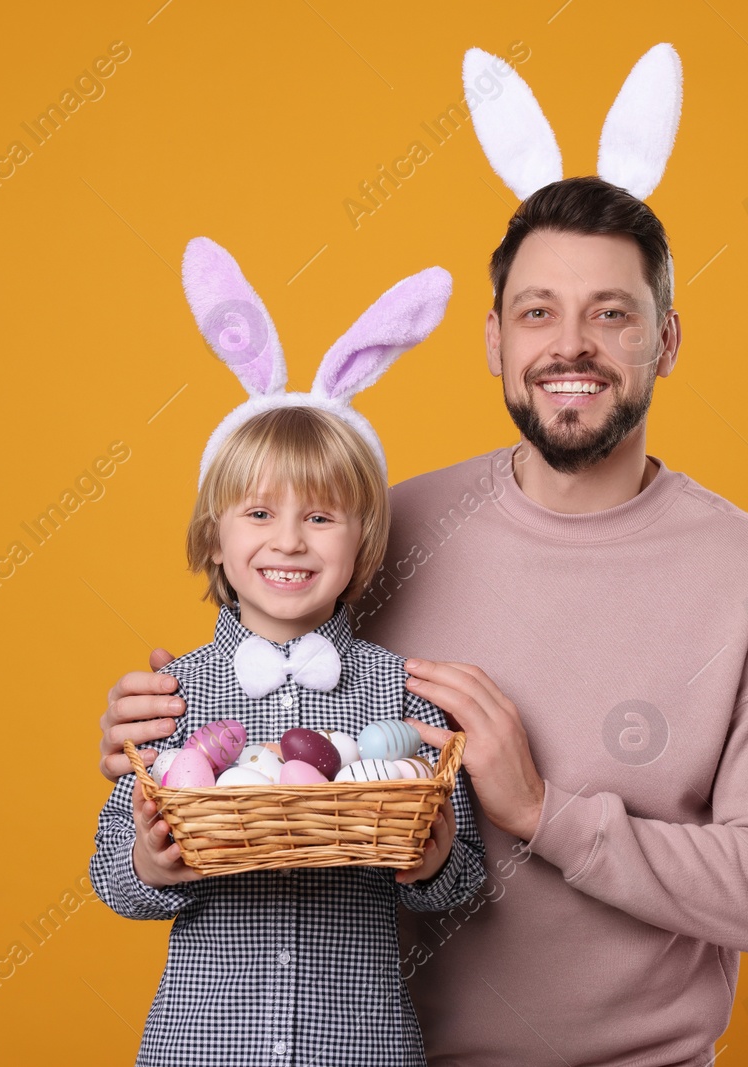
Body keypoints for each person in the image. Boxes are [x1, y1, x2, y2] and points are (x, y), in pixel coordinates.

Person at [102, 46, 748, 1067]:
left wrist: (543, 812)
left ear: (665, 340)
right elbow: (259, 703)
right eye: (538, 310)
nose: (569, 344)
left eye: (611, 313)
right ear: (493, 338)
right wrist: (161, 727)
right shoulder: (385, 529)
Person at [90, 238, 484, 1066]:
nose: (290, 541)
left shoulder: (402, 694)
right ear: (215, 535)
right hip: (201, 1046)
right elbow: (111, 880)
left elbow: (464, 879)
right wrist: (151, 860)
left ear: (363, 538)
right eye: (259, 514)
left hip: (362, 1046)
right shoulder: (173, 695)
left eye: (321, 516)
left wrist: (438, 855)